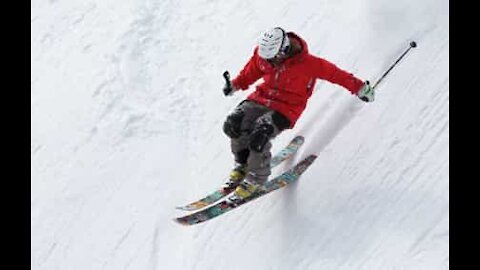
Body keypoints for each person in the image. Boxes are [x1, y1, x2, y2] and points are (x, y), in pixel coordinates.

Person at [222, 27, 374, 201]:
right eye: (267, 59)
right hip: (261, 98)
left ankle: (256, 178)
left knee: (260, 134)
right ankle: (242, 164)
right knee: (234, 124)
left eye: (274, 58)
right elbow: (252, 71)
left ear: (284, 49)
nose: (270, 62)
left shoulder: (309, 64)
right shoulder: (264, 56)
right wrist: (235, 85)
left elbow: (337, 75)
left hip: (287, 108)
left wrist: (360, 87)